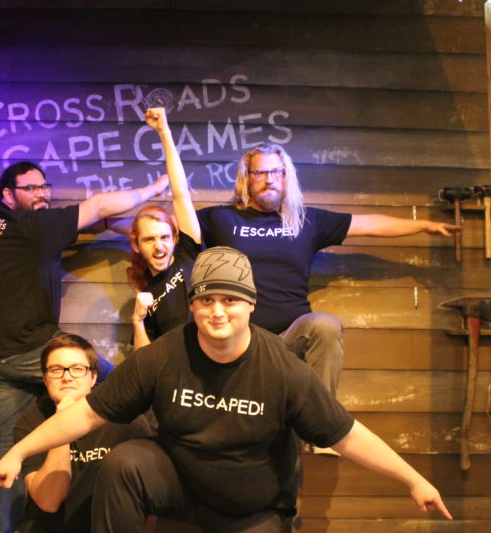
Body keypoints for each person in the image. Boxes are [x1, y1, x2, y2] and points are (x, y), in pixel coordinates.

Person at [0, 247, 453, 533]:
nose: (217, 311)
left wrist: (414, 480)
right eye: (206, 299)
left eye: (229, 299)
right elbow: (88, 413)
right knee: (125, 462)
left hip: (247, 503)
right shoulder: (165, 355)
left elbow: (346, 434)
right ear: (193, 305)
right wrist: (20, 451)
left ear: (250, 304)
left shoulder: (281, 369)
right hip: (181, 482)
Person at [0, 160, 169, 533]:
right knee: (125, 386)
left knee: (8, 446)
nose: (42, 195)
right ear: (8, 195)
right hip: (31, 351)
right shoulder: (34, 226)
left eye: (45, 187)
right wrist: (153, 189)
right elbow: (99, 207)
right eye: (31, 189)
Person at [197, 143, 460, 398]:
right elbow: (167, 225)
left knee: (325, 325)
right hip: (238, 337)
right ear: (247, 178)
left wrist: (424, 225)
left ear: (286, 177)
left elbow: (369, 225)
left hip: (290, 336)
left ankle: (319, 427)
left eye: (277, 172)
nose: (270, 179)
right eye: (261, 172)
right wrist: (154, 189)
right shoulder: (222, 218)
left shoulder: (305, 220)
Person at [0, 333, 164, 533]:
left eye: (77, 369)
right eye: (56, 370)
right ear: (45, 379)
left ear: (94, 377)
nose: (66, 377)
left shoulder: (126, 421)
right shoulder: (31, 422)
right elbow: (48, 501)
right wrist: (62, 425)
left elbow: (150, 496)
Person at [127, 107, 201, 349]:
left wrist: (164, 132)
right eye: (149, 240)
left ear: (175, 238)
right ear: (136, 245)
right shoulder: (146, 296)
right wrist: (138, 320)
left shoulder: (188, 255)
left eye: (164, 237)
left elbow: (181, 196)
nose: (159, 246)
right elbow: (142, 362)